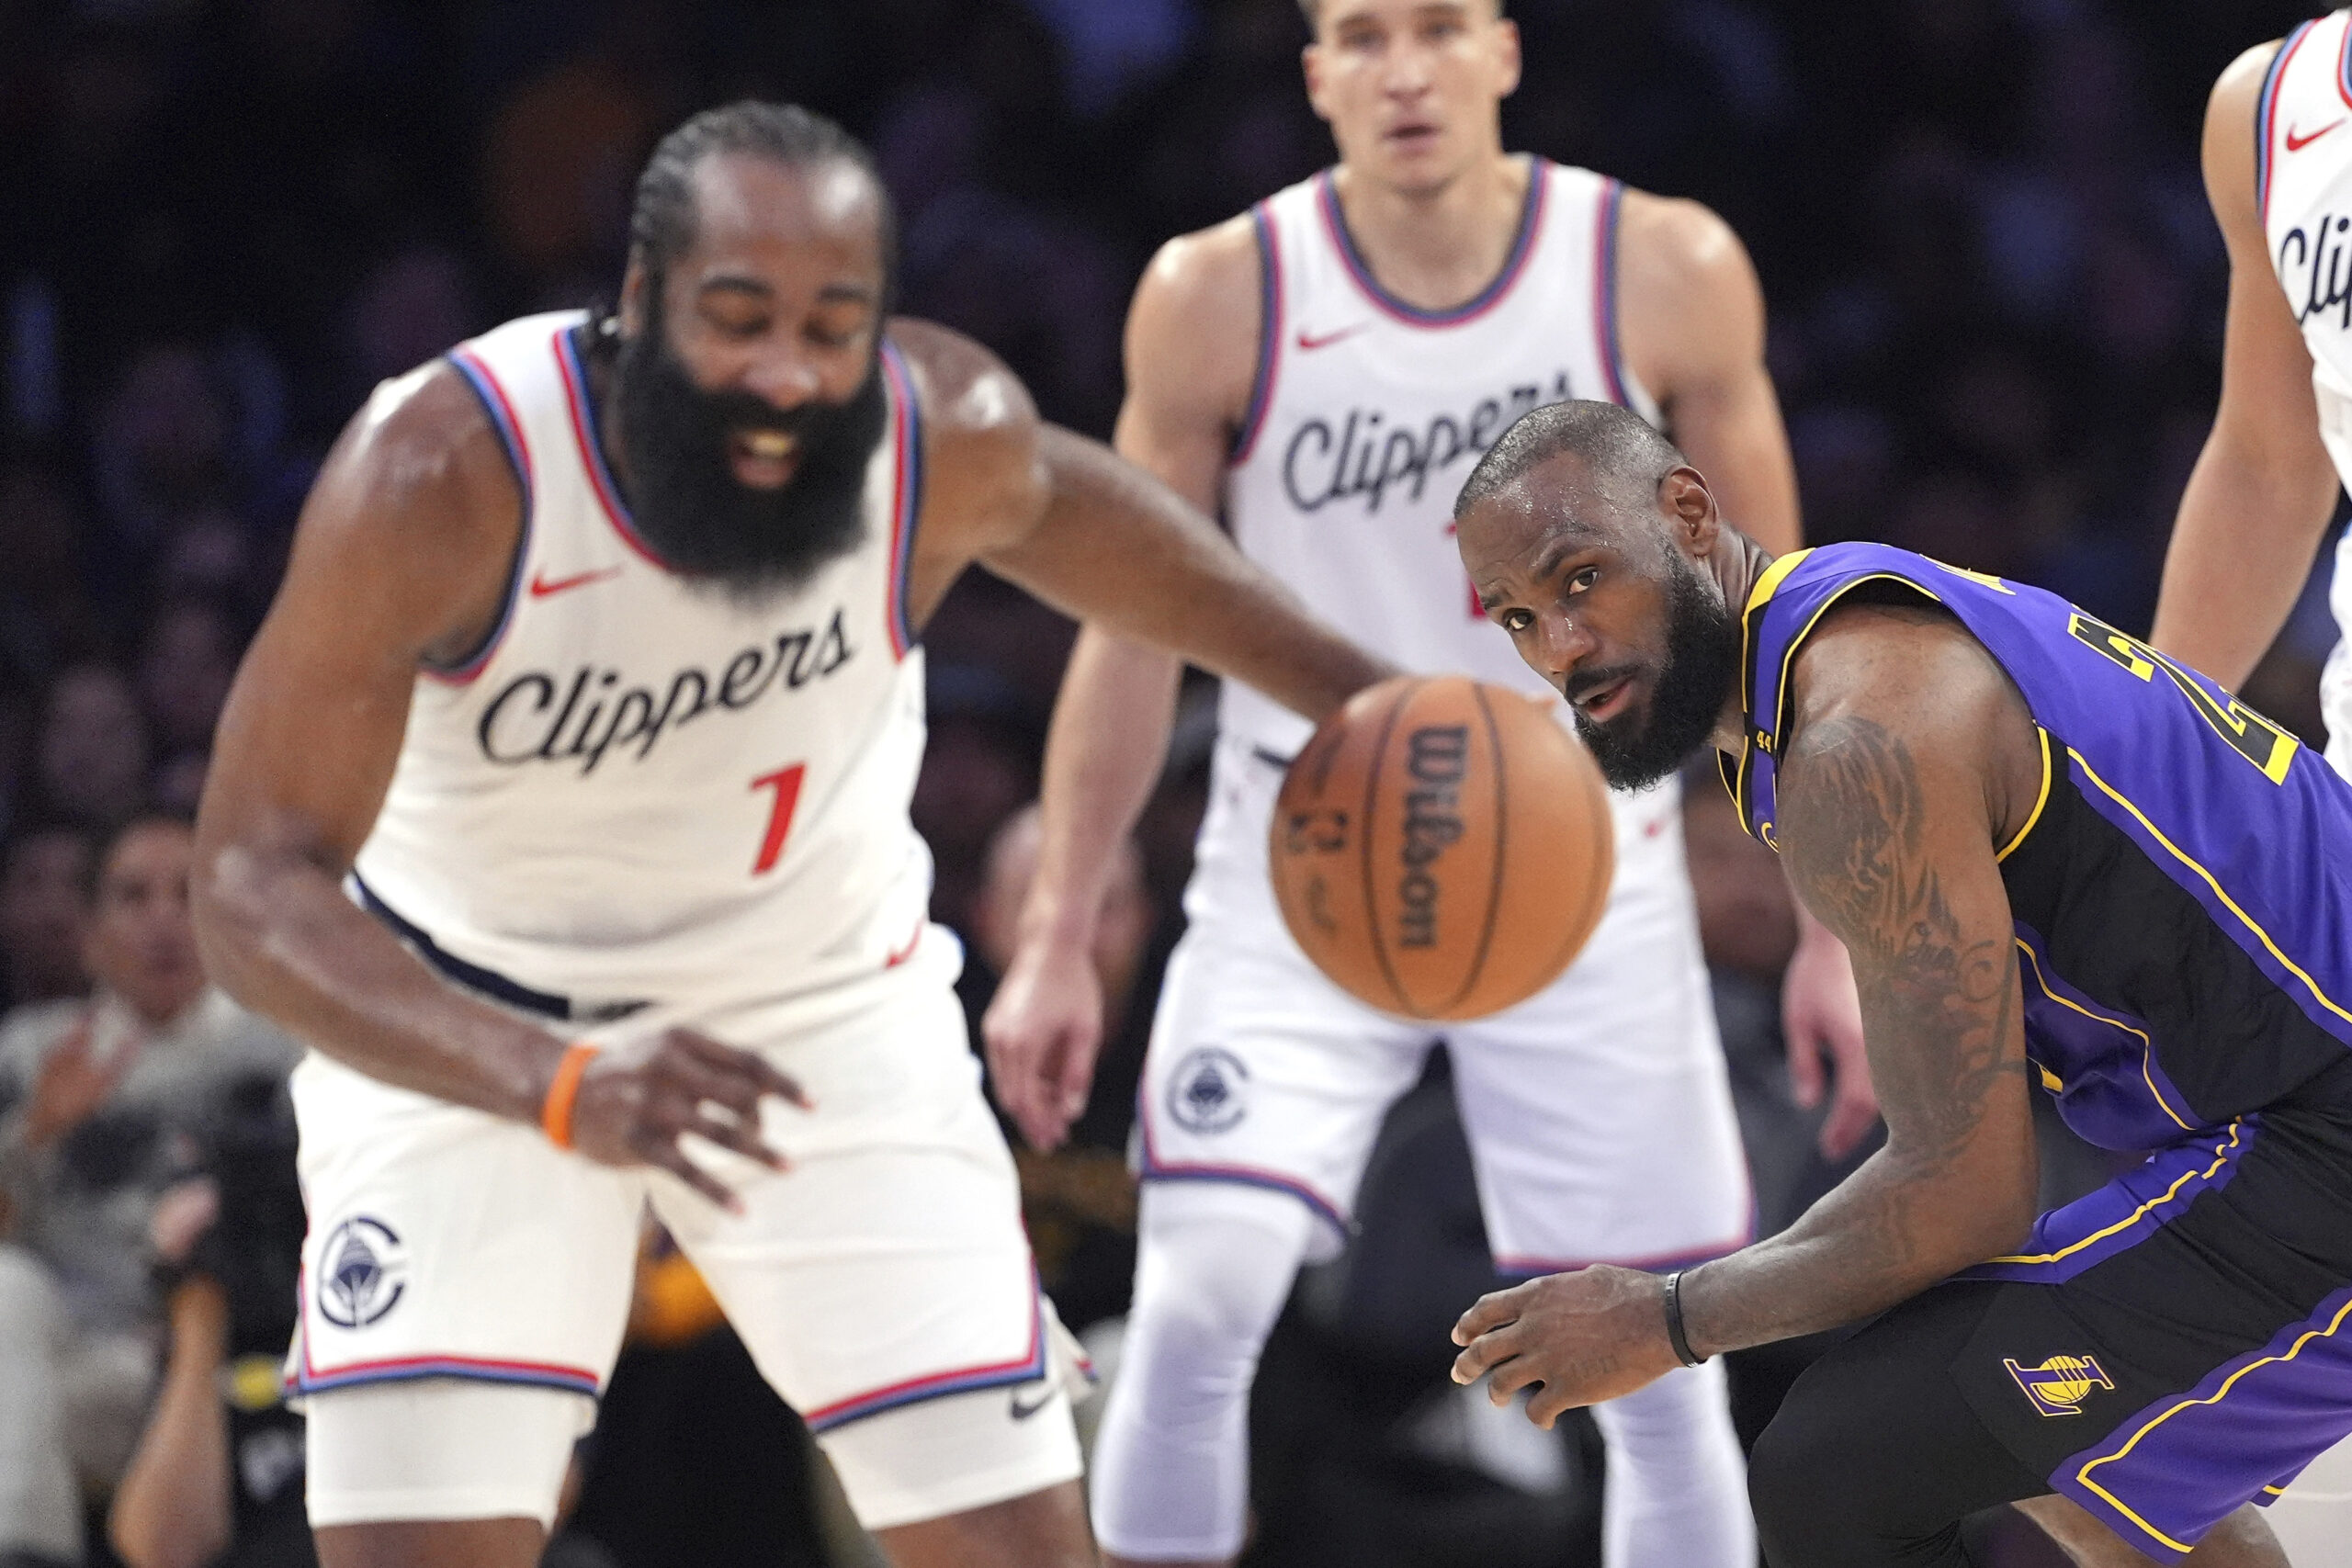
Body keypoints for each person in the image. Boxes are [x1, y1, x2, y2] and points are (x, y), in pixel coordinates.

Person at [189, 102, 1392, 1568]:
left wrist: (1368, 699)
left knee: (1020, 1547)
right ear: (639, 301)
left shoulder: (939, 435)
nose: (786, 374)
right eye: (740, 319)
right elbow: (247, 885)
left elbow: (1121, 547)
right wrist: (553, 1080)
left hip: (815, 1003)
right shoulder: (444, 472)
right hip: (472, 1020)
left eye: (832, 328)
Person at [981, 4, 1867, 1564]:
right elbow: (1129, 633)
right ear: (1314, 71)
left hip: (1585, 859)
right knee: (1194, 1309)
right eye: (1363, 34)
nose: (1406, 68)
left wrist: (1830, 921)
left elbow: (1771, 617)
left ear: (1505, 52)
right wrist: (1059, 927)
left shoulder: (1660, 266)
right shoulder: (1216, 295)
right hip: (1298, 862)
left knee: (1660, 1372)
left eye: (1441, 27)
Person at [1442, 398, 2352, 1566]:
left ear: (1683, 513)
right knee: (2007, 1411)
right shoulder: (1822, 626)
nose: (1558, 646)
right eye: (1517, 616)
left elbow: (1964, 1195)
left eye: (1579, 580)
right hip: (2280, 1113)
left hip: (2322, 1128)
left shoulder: (1853, 737)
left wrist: (1664, 1319)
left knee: (1840, 1464)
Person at [0, 813, 302, 1567]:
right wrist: (35, 1132)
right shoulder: (34, 1050)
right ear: (91, 928)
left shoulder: (287, 1047)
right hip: (94, 1365)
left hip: (244, 1366)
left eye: (187, 893)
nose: (165, 920)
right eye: (133, 897)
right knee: (8, 1289)